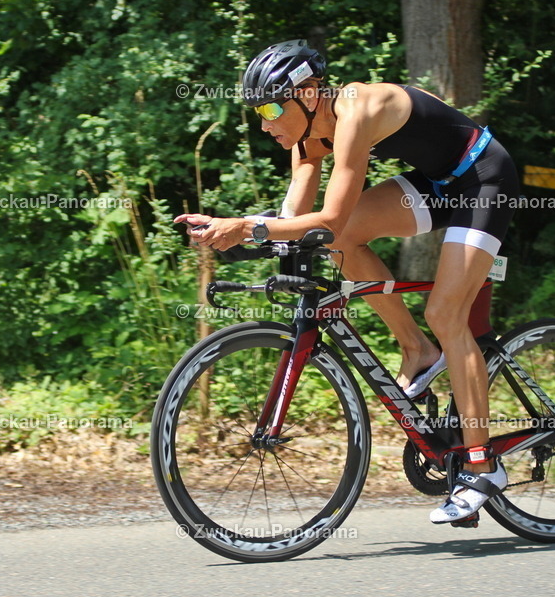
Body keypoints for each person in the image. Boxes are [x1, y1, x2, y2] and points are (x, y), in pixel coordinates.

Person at [174, 39, 521, 524]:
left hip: (485, 179)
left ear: (310, 94)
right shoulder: (306, 137)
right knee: (340, 242)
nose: (265, 123)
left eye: (272, 108)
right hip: (438, 184)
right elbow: (300, 220)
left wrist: (246, 226)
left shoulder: (355, 108)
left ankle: (483, 470)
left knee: (446, 313)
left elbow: (331, 215)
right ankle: (418, 351)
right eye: (258, 111)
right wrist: (232, 228)